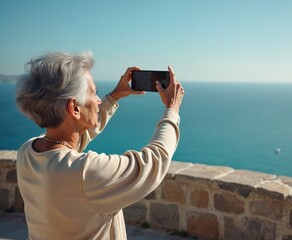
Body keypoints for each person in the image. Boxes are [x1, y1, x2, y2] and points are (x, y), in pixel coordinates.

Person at [15, 51, 184, 240]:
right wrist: (172, 110)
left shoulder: (27, 152)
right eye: (94, 93)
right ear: (74, 108)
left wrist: (115, 96)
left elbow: (73, 137)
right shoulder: (84, 173)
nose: (97, 100)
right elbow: (154, 161)